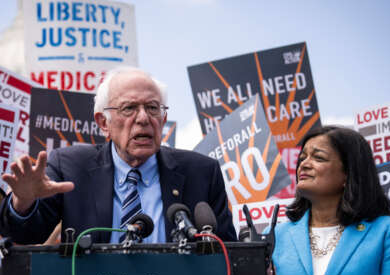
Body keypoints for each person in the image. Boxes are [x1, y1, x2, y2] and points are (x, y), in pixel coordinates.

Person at [0, 66, 237, 244]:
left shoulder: (202, 173)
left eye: (153, 108)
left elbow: (229, 256)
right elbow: (25, 236)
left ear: (163, 120)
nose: (144, 118)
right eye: (129, 108)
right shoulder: (70, 167)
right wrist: (24, 203)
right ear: (104, 123)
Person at [264, 125, 390, 275]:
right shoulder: (274, 236)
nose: (304, 164)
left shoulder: (388, 233)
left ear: (348, 173)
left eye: (318, 158)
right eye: (303, 157)